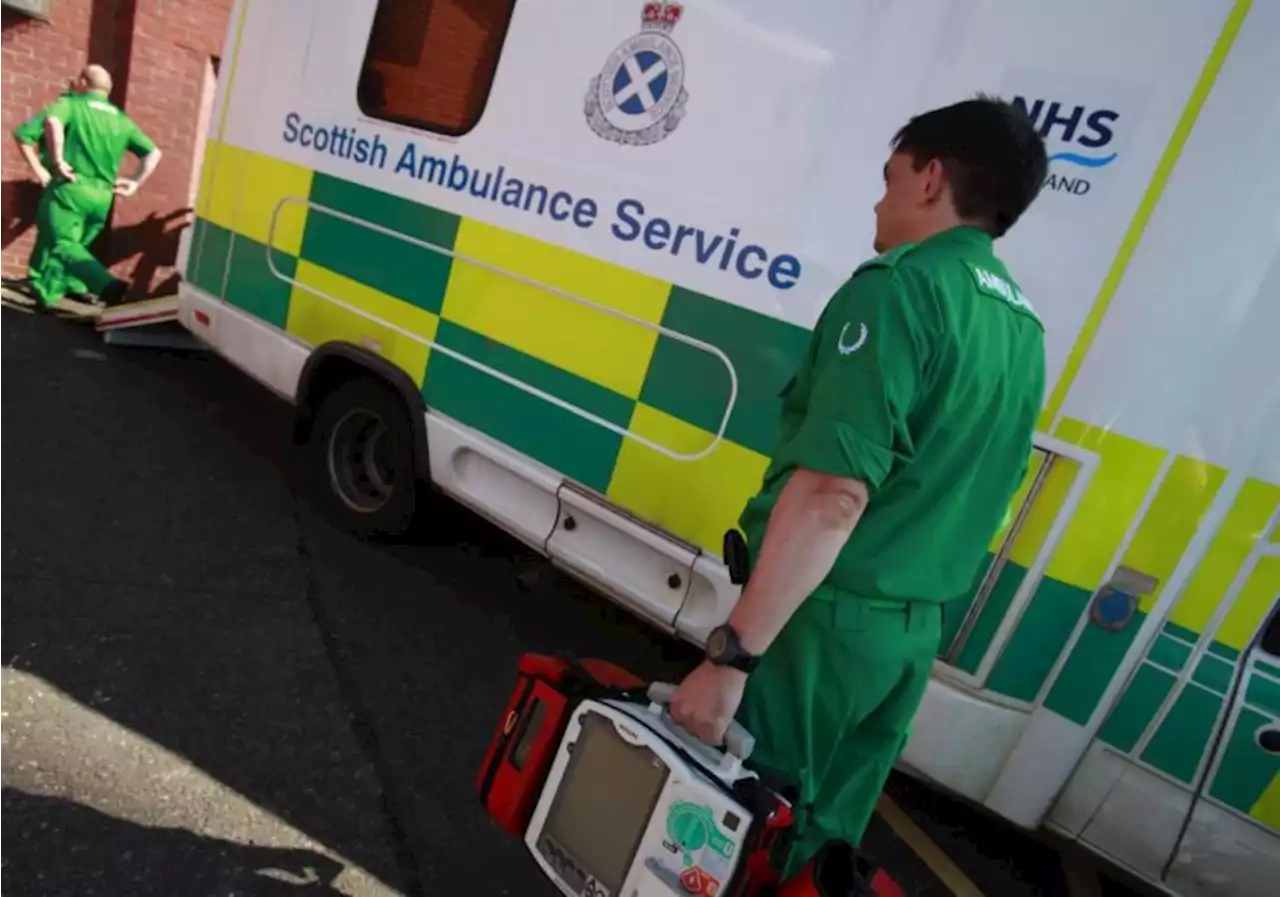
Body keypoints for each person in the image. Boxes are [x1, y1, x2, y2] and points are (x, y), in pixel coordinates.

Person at [668, 94, 1049, 880]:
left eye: (890, 175)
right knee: (817, 848)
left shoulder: (899, 289)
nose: (878, 197)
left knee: (729, 836)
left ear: (931, 178)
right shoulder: (1021, 326)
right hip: (907, 642)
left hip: (823, 629)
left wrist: (731, 658)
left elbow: (835, 493)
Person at [22, 64, 162, 309]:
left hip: (72, 186)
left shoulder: (71, 104)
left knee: (62, 243)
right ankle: (49, 291)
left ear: (84, 82)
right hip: (102, 196)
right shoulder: (121, 120)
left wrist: (57, 161)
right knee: (76, 247)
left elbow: (53, 122)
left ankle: (106, 285)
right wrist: (134, 183)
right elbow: (153, 153)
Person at [10, 79, 91, 298]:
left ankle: (67, 283)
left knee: (75, 235)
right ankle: (39, 282)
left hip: (85, 188)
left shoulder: (92, 117)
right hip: (61, 183)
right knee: (52, 234)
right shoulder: (61, 108)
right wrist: (40, 170)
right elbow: (23, 136)